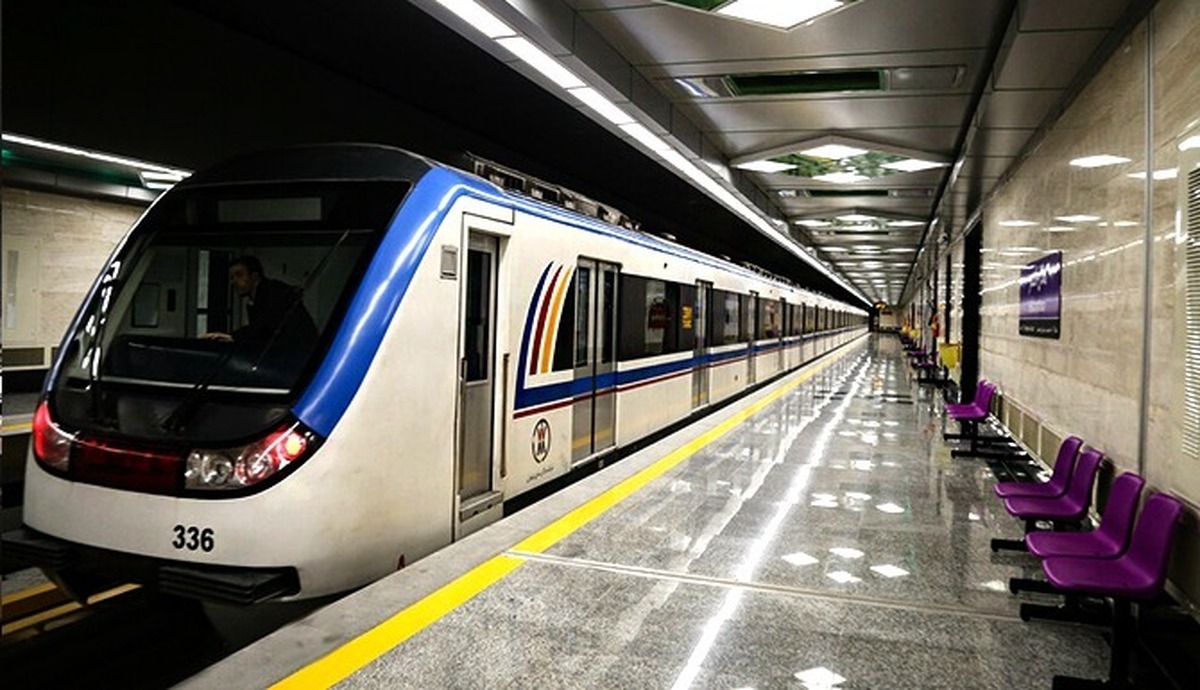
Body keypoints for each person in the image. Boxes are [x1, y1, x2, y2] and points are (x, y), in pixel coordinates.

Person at [203, 256, 319, 347]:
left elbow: (263, 326)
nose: (233, 282)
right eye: (232, 277)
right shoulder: (259, 297)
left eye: (239, 275)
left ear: (254, 276)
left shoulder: (273, 294)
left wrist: (232, 337)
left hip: (298, 355)